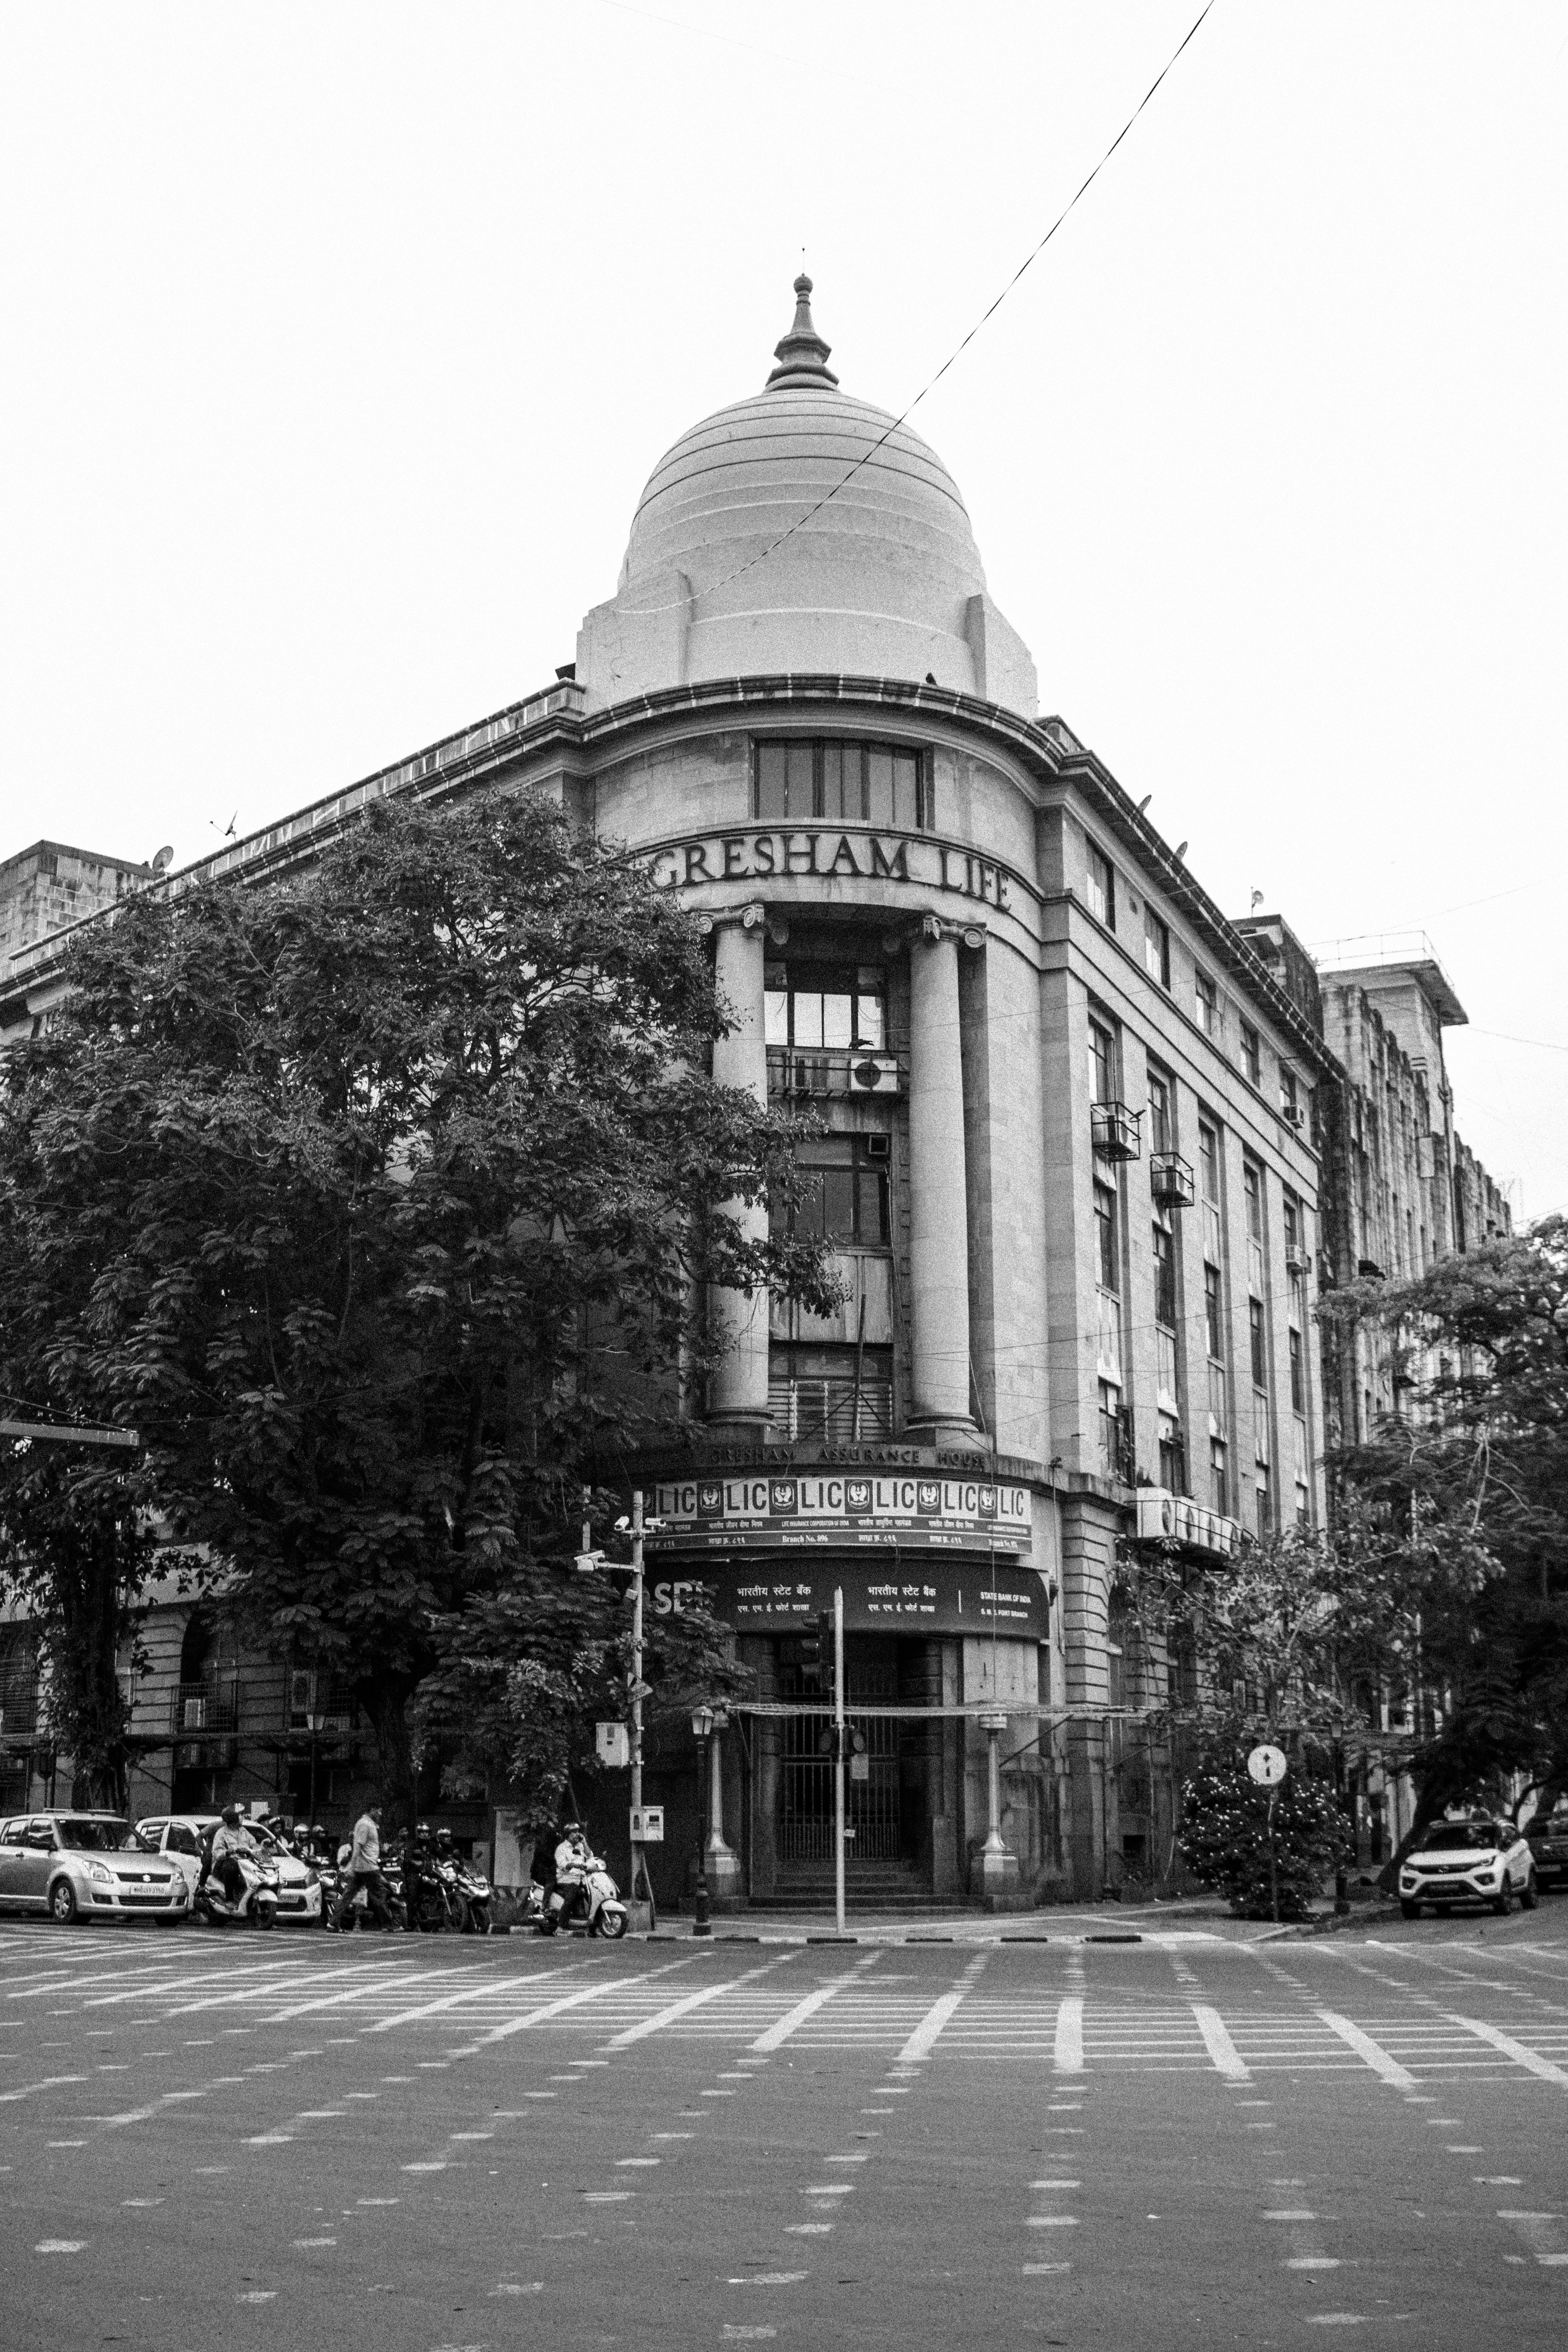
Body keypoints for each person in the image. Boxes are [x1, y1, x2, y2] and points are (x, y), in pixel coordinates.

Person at [343, 1803, 394, 1930]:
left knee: (348, 1895)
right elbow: (358, 1848)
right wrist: (352, 1867)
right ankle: (388, 1925)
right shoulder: (365, 1825)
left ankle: (333, 1923)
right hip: (368, 1867)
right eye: (379, 1811)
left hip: (363, 1867)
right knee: (379, 1894)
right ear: (372, 1810)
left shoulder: (369, 1824)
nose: (381, 1814)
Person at [209, 1804, 258, 1907]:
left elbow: (254, 1844)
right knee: (231, 1865)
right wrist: (229, 1852)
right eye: (241, 1814)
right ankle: (229, 1900)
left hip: (244, 1863)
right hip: (224, 1865)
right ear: (233, 1817)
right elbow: (217, 1853)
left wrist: (258, 1849)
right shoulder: (222, 1833)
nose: (243, 1817)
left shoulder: (244, 1831)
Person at [552, 1820, 592, 1926]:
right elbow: (563, 1865)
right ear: (568, 1836)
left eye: (577, 1832)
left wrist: (585, 1842)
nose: (576, 1835)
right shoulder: (561, 1849)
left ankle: (591, 1923)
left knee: (593, 1894)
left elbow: (590, 1857)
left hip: (582, 1879)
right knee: (572, 1895)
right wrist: (575, 1865)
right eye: (573, 1833)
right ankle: (562, 1924)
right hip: (567, 1879)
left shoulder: (580, 1846)